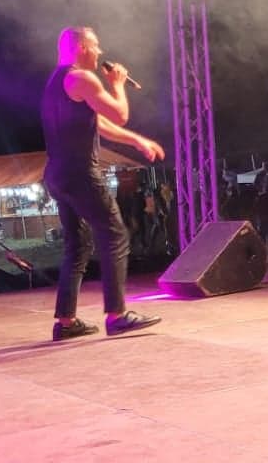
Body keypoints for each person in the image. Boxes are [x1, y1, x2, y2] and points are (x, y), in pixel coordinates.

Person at [43, 27, 166, 341]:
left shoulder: (57, 82)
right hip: (80, 173)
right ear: (82, 47)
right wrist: (117, 84)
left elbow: (99, 122)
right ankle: (117, 315)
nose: (100, 53)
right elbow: (120, 114)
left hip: (57, 174)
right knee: (115, 234)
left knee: (78, 244)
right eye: (96, 46)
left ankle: (66, 322)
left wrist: (137, 141)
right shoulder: (83, 78)